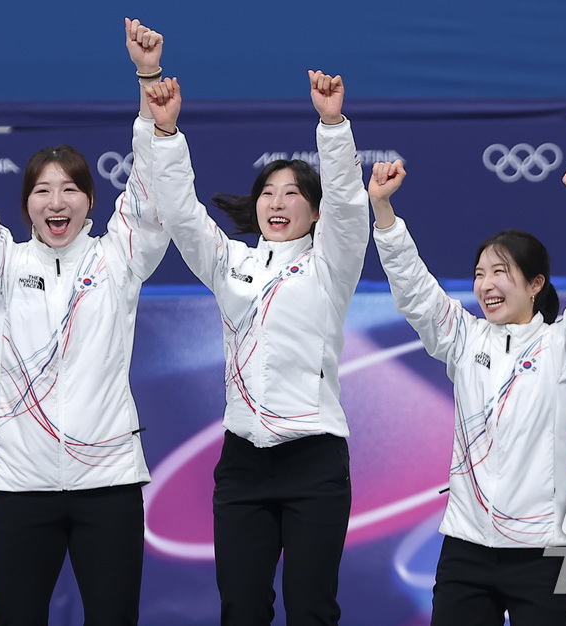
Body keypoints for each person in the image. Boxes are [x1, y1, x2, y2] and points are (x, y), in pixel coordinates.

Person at [0, 18, 171, 626]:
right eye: (43, 191)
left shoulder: (118, 258)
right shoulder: (2, 263)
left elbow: (151, 191)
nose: (57, 202)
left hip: (108, 480)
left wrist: (148, 79)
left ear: (89, 200)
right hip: (22, 484)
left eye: (71, 189)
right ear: (25, 202)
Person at [145, 70, 368, 625]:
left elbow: (347, 203)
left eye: (293, 193)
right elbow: (181, 215)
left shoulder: (330, 265)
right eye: (267, 191)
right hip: (243, 461)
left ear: (313, 212)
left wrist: (332, 126)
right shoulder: (232, 266)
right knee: (242, 608)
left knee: (311, 608)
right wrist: (167, 133)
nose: (277, 202)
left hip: (314, 458)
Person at [371, 158, 566, 625]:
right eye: (480, 272)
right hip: (466, 549)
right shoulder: (463, 339)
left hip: (545, 552)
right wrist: (383, 211)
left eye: (501, 272)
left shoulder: (564, 345)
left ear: (535, 284)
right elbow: (413, 288)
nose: (486, 284)